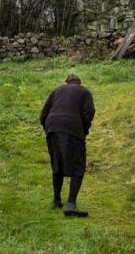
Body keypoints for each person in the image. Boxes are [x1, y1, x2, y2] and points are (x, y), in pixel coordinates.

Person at [40, 74, 95, 217]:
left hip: (52, 128)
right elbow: (89, 113)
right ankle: (70, 204)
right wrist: (83, 130)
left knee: (57, 164)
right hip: (72, 128)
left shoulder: (56, 91)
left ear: (66, 83)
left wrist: (49, 129)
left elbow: (43, 114)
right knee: (78, 166)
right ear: (79, 83)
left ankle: (56, 200)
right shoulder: (84, 91)